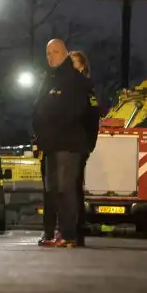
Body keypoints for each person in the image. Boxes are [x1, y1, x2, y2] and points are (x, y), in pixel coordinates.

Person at [32, 39, 98, 248]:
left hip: (69, 143)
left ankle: (69, 234)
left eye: (55, 51)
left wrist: (87, 144)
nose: (51, 56)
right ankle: (58, 232)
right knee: (53, 189)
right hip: (51, 143)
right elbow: (39, 108)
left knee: (65, 188)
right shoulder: (49, 79)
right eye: (48, 52)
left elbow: (79, 112)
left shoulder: (75, 80)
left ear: (65, 54)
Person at [68, 50, 100, 247]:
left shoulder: (85, 88)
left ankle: (76, 230)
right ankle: (71, 229)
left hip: (78, 144)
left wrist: (88, 145)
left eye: (72, 62)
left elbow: (92, 119)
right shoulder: (69, 85)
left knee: (73, 188)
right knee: (70, 187)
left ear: (82, 66)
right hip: (71, 143)